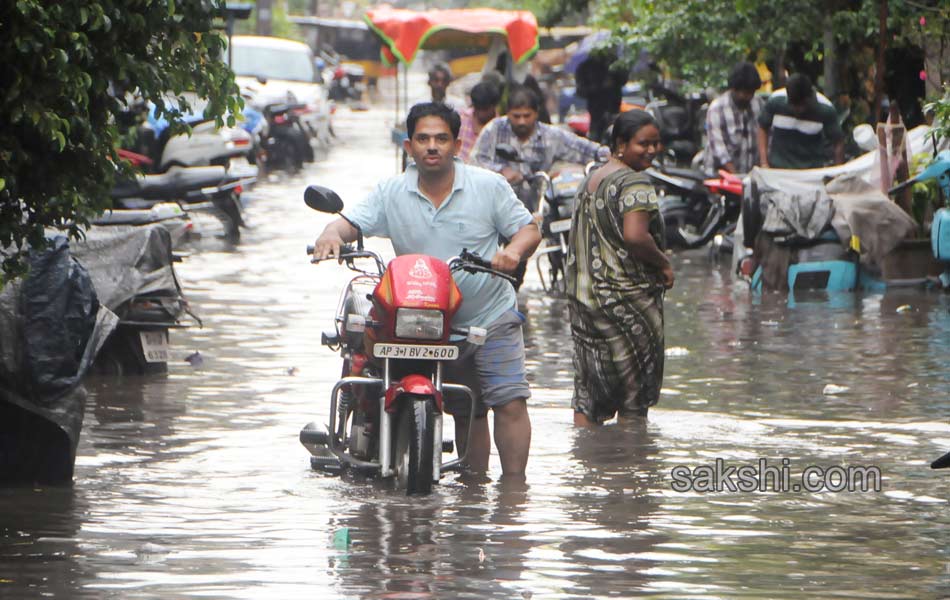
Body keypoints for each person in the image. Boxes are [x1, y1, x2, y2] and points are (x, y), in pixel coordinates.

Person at [312, 102, 542, 479]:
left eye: (441, 138)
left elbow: (528, 229)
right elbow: (349, 223)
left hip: (489, 315)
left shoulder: (488, 186)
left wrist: (514, 252)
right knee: (467, 410)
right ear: (409, 147)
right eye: (423, 139)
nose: (432, 146)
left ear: (456, 144)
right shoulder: (391, 191)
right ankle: (473, 489)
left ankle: (514, 497)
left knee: (509, 402)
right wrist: (329, 237)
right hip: (425, 320)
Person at [566, 110, 674, 427]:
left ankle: (587, 461)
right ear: (621, 144)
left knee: (588, 389)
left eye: (656, 143)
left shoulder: (591, 179)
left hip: (583, 299)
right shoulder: (635, 183)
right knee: (634, 392)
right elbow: (636, 236)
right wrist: (664, 263)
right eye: (644, 144)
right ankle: (631, 468)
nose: (652, 150)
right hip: (625, 298)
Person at [757, 73, 844, 169]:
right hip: (778, 170)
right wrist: (764, 163)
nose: (798, 109)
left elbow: (838, 142)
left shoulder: (825, 109)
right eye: (793, 105)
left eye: (802, 105)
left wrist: (838, 172)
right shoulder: (775, 101)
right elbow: (762, 127)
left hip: (811, 172)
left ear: (809, 97)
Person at [703, 61, 764, 174]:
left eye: (750, 93)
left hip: (749, 176)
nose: (746, 97)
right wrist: (736, 177)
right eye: (743, 93)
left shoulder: (759, 104)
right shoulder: (717, 109)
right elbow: (719, 149)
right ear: (733, 89)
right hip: (720, 176)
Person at [574, 49, 627, 143]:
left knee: (614, 132)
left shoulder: (614, 63)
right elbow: (580, 90)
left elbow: (623, 79)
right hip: (596, 107)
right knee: (596, 134)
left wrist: (614, 80)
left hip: (613, 104)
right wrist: (599, 86)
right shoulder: (586, 66)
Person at [458, 80, 501, 162]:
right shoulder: (460, 118)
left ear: (494, 105)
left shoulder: (501, 129)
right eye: (478, 108)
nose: (481, 113)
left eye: (485, 109)